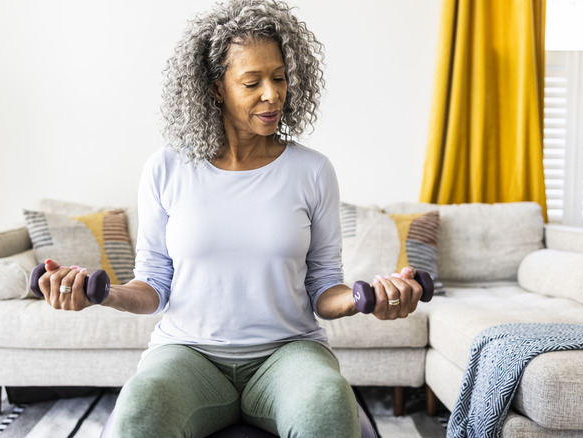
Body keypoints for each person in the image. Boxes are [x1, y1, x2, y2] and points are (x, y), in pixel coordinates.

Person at [37, 0, 424, 436]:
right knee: (138, 410)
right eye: (252, 81)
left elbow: (323, 288)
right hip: (188, 354)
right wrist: (99, 293)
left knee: (328, 405)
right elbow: (154, 286)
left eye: (279, 77)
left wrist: (367, 297)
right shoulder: (166, 168)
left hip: (288, 352)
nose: (272, 94)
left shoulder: (313, 171)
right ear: (215, 87)